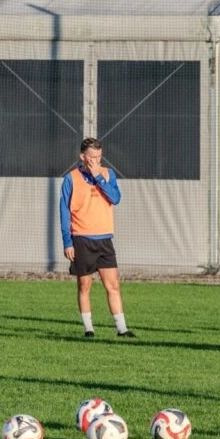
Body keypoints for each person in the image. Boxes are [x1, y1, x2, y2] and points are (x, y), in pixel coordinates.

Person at [59, 138, 134, 338]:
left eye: (99, 157)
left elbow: (115, 198)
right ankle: (89, 329)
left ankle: (122, 329)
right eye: (92, 157)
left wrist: (98, 177)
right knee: (84, 285)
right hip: (81, 238)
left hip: (104, 239)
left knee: (113, 285)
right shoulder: (71, 179)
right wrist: (67, 242)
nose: (96, 161)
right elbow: (64, 212)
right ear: (83, 157)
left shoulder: (108, 174)